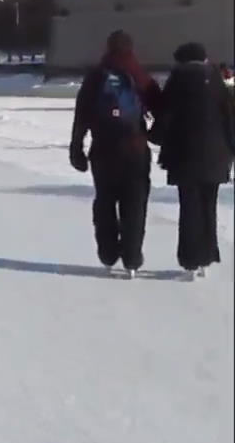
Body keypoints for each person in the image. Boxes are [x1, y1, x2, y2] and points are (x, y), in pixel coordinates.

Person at [69, 30, 163, 278]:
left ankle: (108, 253)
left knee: (105, 201)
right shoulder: (139, 75)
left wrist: (76, 148)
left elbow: (82, 114)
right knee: (135, 204)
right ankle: (132, 257)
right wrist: (153, 135)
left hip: (103, 150)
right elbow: (162, 108)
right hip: (134, 149)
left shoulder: (96, 76)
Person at [153, 42, 235, 278]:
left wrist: (155, 136)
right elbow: (228, 116)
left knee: (189, 208)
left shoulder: (178, 78)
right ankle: (206, 258)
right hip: (217, 155)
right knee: (209, 206)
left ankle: (190, 260)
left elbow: (167, 113)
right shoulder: (216, 79)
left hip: (185, 155)